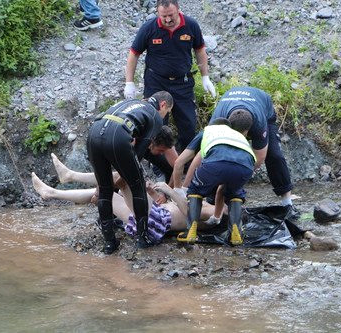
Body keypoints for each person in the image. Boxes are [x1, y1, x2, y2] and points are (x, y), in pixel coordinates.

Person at [31, 158, 224, 246]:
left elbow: (190, 216)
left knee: (126, 177)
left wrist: (169, 190)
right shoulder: (205, 203)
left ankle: (71, 175)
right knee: (109, 195)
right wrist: (152, 192)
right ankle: (52, 192)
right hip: (153, 217)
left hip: (155, 223)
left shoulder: (213, 210)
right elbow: (170, 207)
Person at [173, 86, 298, 217]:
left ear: (248, 132)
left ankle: (287, 202)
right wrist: (185, 188)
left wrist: (234, 180)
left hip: (262, 107)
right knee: (217, 160)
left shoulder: (259, 123)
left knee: (274, 155)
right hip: (232, 105)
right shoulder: (218, 120)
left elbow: (260, 157)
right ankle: (214, 199)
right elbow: (202, 153)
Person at [87, 91, 173, 254]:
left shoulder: (133, 102)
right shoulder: (155, 116)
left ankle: (109, 243)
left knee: (105, 190)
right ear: (162, 105)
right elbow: (139, 153)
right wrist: (127, 176)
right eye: (167, 112)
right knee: (138, 185)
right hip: (117, 136)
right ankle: (143, 238)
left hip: (94, 133)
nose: (164, 117)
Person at [124, 0, 216, 151]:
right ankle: (159, 167)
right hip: (156, 83)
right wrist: (129, 82)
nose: (167, 19)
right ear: (157, 13)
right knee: (156, 126)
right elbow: (134, 54)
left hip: (182, 83)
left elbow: (200, 50)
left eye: (171, 15)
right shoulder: (149, 27)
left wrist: (205, 77)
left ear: (178, 10)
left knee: (188, 125)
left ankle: (184, 164)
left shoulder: (191, 25)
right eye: (163, 16)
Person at [177, 113, 256, 246]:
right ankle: (235, 232)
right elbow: (221, 190)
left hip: (216, 164)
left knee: (195, 190)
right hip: (246, 166)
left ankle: (190, 231)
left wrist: (180, 189)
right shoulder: (237, 135)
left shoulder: (208, 131)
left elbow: (181, 160)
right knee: (234, 192)